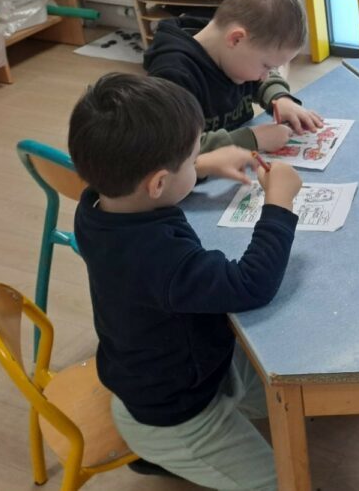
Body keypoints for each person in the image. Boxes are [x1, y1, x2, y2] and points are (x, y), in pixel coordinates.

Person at [69, 72, 303, 490]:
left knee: (284, 369)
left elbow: (155, 188)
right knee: (283, 483)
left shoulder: (98, 205)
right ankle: (167, 455)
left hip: (175, 366)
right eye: (193, 159)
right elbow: (251, 284)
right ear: (158, 182)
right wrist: (279, 205)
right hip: (177, 415)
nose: (198, 163)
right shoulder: (156, 256)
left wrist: (202, 165)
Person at [144, 0, 323, 153]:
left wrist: (279, 98)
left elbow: (260, 82)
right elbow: (176, 152)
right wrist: (252, 139)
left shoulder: (229, 52)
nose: (265, 76)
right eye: (266, 66)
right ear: (236, 39)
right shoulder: (173, 75)